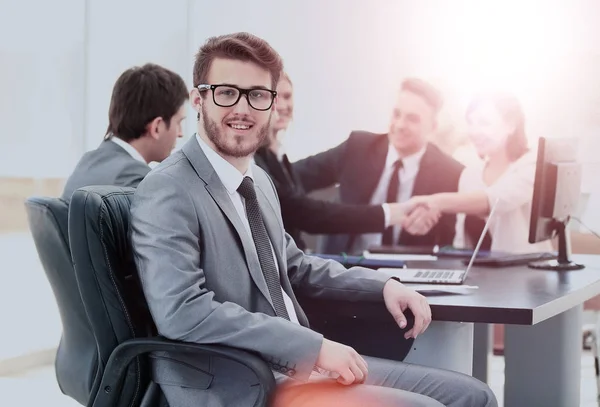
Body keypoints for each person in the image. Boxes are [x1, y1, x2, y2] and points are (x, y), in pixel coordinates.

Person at [129, 32, 496, 407]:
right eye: (226, 92)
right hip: (239, 380)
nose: (242, 108)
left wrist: (383, 285)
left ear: (271, 106)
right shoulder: (169, 188)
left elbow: (296, 266)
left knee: (474, 396)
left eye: (257, 94)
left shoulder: (257, 181)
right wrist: (312, 348)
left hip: (297, 367)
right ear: (198, 99)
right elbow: (182, 312)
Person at [292, 78, 465, 255]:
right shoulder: (357, 148)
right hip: (346, 267)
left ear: (433, 126)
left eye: (412, 119)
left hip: (406, 273)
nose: (400, 125)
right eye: (396, 114)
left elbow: (450, 244)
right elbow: (291, 176)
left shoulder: (451, 173)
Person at [253, 73, 420, 251]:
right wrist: (389, 214)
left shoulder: (276, 155)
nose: (282, 105)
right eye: (273, 97)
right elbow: (302, 212)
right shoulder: (253, 160)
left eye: (287, 96)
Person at [406, 92, 554, 254]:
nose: (474, 132)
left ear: (510, 125)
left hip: (528, 273)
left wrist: (436, 202)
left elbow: (495, 200)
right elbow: (462, 244)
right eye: (471, 123)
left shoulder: (533, 165)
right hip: (479, 275)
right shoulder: (470, 175)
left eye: (484, 123)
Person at [61, 63, 188, 201]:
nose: (180, 133)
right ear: (156, 127)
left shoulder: (86, 164)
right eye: (179, 122)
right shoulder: (138, 181)